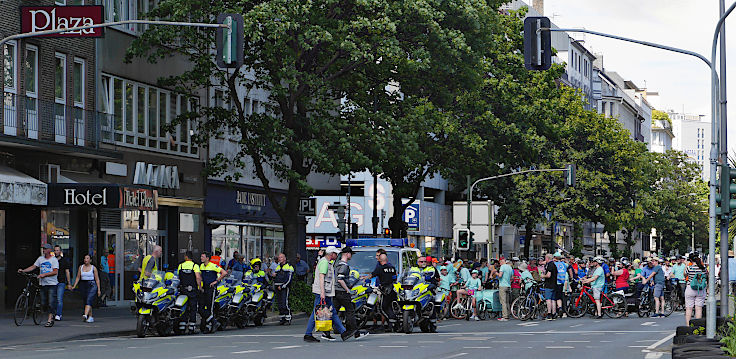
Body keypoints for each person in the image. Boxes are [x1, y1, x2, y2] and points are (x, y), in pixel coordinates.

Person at [304, 246, 353, 343]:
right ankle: (308, 334)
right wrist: (322, 293)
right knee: (317, 313)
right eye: (336, 253)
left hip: (326, 292)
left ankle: (343, 332)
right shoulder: (324, 263)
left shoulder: (327, 262)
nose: (337, 255)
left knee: (332, 312)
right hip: (322, 292)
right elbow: (321, 278)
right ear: (332, 254)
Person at [19, 243, 59, 327]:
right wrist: (24, 270)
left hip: (52, 284)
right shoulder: (40, 259)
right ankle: (50, 313)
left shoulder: (54, 260)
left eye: (45, 249)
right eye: (43, 248)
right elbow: (33, 266)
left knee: (51, 302)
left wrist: (44, 275)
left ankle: (50, 319)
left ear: (49, 250)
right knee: (43, 302)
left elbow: (55, 271)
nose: (44, 250)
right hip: (43, 284)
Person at [334, 247, 369, 338]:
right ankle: (352, 331)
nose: (351, 256)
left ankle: (326, 332)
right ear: (347, 254)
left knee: (334, 312)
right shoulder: (344, 266)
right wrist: (347, 289)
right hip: (342, 292)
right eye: (351, 254)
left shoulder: (336, 264)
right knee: (350, 311)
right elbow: (340, 279)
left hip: (335, 291)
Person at [366, 248, 398, 331]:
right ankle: (392, 325)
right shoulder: (392, 268)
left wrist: (364, 278)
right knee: (389, 307)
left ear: (380, 259)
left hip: (384, 290)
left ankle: (392, 321)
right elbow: (395, 278)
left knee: (382, 308)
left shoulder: (380, 268)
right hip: (392, 290)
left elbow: (372, 275)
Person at [199, 251, 228, 331]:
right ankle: (212, 321)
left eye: (202, 256)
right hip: (204, 289)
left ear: (207, 258)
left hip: (211, 289)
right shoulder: (201, 266)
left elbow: (224, 273)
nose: (201, 258)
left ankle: (210, 326)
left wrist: (216, 281)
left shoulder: (213, 266)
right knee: (201, 308)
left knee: (209, 307)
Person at [176, 250, 201, 333]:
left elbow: (177, 277)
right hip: (192, 290)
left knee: (183, 307)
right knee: (193, 308)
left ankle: (182, 327)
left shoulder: (181, 265)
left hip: (183, 290)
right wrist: (200, 287)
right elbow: (197, 277)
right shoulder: (195, 266)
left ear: (186, 257)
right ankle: (191, 327)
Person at [71, 254, 101, 323]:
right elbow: (78, 277)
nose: (85, 260)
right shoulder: (81, 267)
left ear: (90, 260)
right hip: (83, 284)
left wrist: (99, 289)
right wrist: (74, 285)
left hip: (92, 285)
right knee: (86, 300)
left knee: (89, 299)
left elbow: (97, 279)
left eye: (87, 258)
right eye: (85, 258)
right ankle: (90, 317)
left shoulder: (93, 268)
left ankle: (85, 315)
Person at [685, 252, 707, 326]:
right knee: (698, 308)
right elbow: (707, 276)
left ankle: (688, 326)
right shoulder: (703, 268)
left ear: (690, 260)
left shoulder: (689, 268)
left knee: (689, 308)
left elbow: (685, 275)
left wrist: (686, 265)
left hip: (690, 288)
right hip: (700, 289)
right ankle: (698, 326)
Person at [274, 253, 294, 325]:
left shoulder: (289, 267)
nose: (280, 259)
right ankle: (282, 318)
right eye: (279, 257)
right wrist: (273, 276)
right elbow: (276, 277)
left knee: (284, 302)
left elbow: (289, 279)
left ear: (285, 258)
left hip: (284, 287)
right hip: (277, 286)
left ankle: (288, 318)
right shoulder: (277, 267)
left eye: (281, 257)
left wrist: (283, 286)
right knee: (279, 303)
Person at [53, 245, 71, 321]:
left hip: (61, 281)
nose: (56, 252)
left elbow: (67, 272)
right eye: (55, 250)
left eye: (57, 250)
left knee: (59, 299)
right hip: (53, 282)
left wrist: (69, 283)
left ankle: (58, 314)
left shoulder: (64, 261)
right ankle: (53, 313)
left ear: (60, 251)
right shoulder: (52, 260)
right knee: (52, 299)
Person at [541, 253, 558, 320]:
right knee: (553, 300)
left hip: (549, 284)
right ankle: (554, 314)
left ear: (547, 258)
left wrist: (543, 276)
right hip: (554, 284)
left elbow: (548, 275)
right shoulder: (554, 265)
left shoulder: (550, 265)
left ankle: (549, 314)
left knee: (548, 299)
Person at [497, 257, 512, 322]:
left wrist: (495, 273)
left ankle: (505, 316)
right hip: (508, 285)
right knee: (507, 301)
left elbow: (500, 275)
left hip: (502, 285)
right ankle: (508, 314)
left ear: (501, 261)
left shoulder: (502, 267)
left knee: (503, 301)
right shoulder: (510, 267)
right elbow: (512, 277)